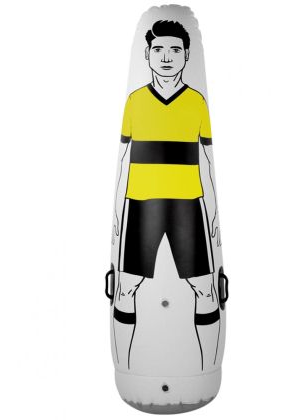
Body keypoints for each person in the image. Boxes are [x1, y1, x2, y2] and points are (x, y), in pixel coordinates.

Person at [112, 20, 221, 371]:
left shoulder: (196, 102)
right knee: (125, 287)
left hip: (188, 206)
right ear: (147, 55)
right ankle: (126, 366)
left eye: (175, 49)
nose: (166, 56)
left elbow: (206, 160)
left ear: (187, 55)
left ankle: (206, 367)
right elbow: (124, 159)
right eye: (158, 49)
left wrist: (212, 212)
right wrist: (118, 213)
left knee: (205, 289)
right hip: (140, 204)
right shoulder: (135, 101)